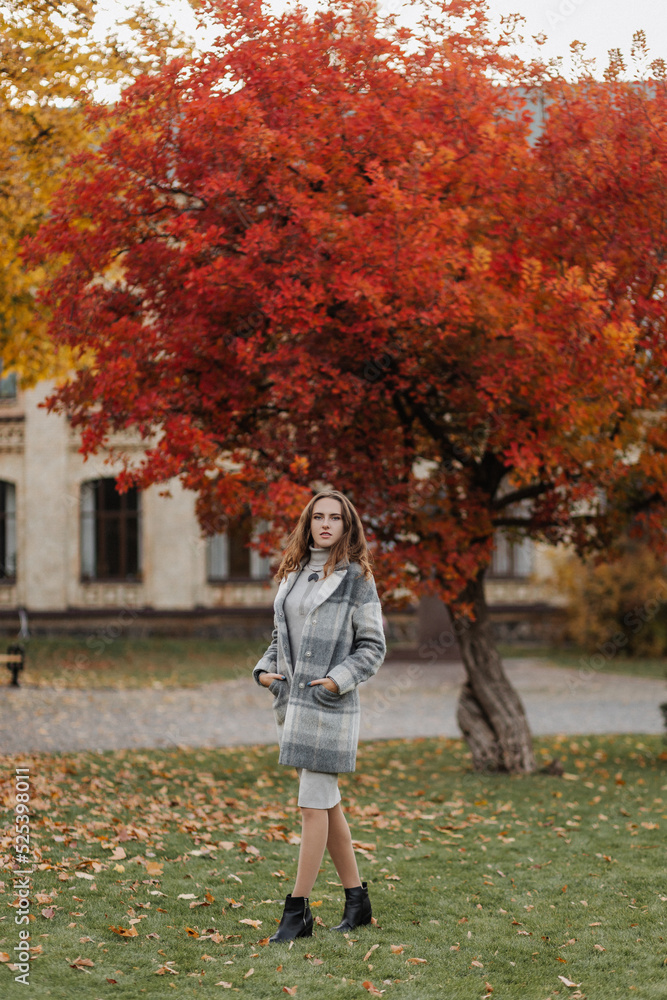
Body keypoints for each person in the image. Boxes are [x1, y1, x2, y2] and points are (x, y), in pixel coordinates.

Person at [252, 489, 386, 942]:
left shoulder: (357, 581)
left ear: (348, 527)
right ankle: (357, 900)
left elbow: (372, 648)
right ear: (308, 524)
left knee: (312, 805)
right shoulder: (290, 576)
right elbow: (280, 637)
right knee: (326, 804)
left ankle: (297, 911)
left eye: (336, 518)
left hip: (330, 709)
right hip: (292, 706)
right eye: (318, 517)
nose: (326, 524)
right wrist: (265, 671)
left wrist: (335, 680)